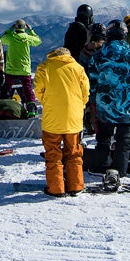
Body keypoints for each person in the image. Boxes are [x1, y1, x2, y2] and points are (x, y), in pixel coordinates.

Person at [88, 20, 130, 191]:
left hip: (105, 105)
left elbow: (92, 81)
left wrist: (95, 98)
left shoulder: (98, 56)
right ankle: (120, 169)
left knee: (103, 137)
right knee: (123, 139)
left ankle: (102, 165)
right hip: (125, 105)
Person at [34, 46, 90, 198]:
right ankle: (76, 186)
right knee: (74, 153)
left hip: (52, 118)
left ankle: (56, 188)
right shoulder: (78, 68)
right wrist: (79, 106)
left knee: (53, 153)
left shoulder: (44, 67)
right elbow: (85, 93)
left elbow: (38, 90)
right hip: (74, 119)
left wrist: (48, 102)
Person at [0, 18, 42, 115]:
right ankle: (31, 110)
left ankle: (2, 108)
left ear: (15, 27)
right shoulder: (27, 38)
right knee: (28, 90)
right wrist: (30, 30)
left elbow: (2, 39)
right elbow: (38, 41)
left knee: (6, 89)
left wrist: (10, 29)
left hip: (11, 69)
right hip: (24, 69)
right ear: (24, 27)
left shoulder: (10, 37)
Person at [77, 22, 107, 133]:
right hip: (105, 84)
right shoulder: (107, 50)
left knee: (90, 106)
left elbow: (81, 70)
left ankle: (91, 126)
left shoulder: (85, 51)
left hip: (89, 84)